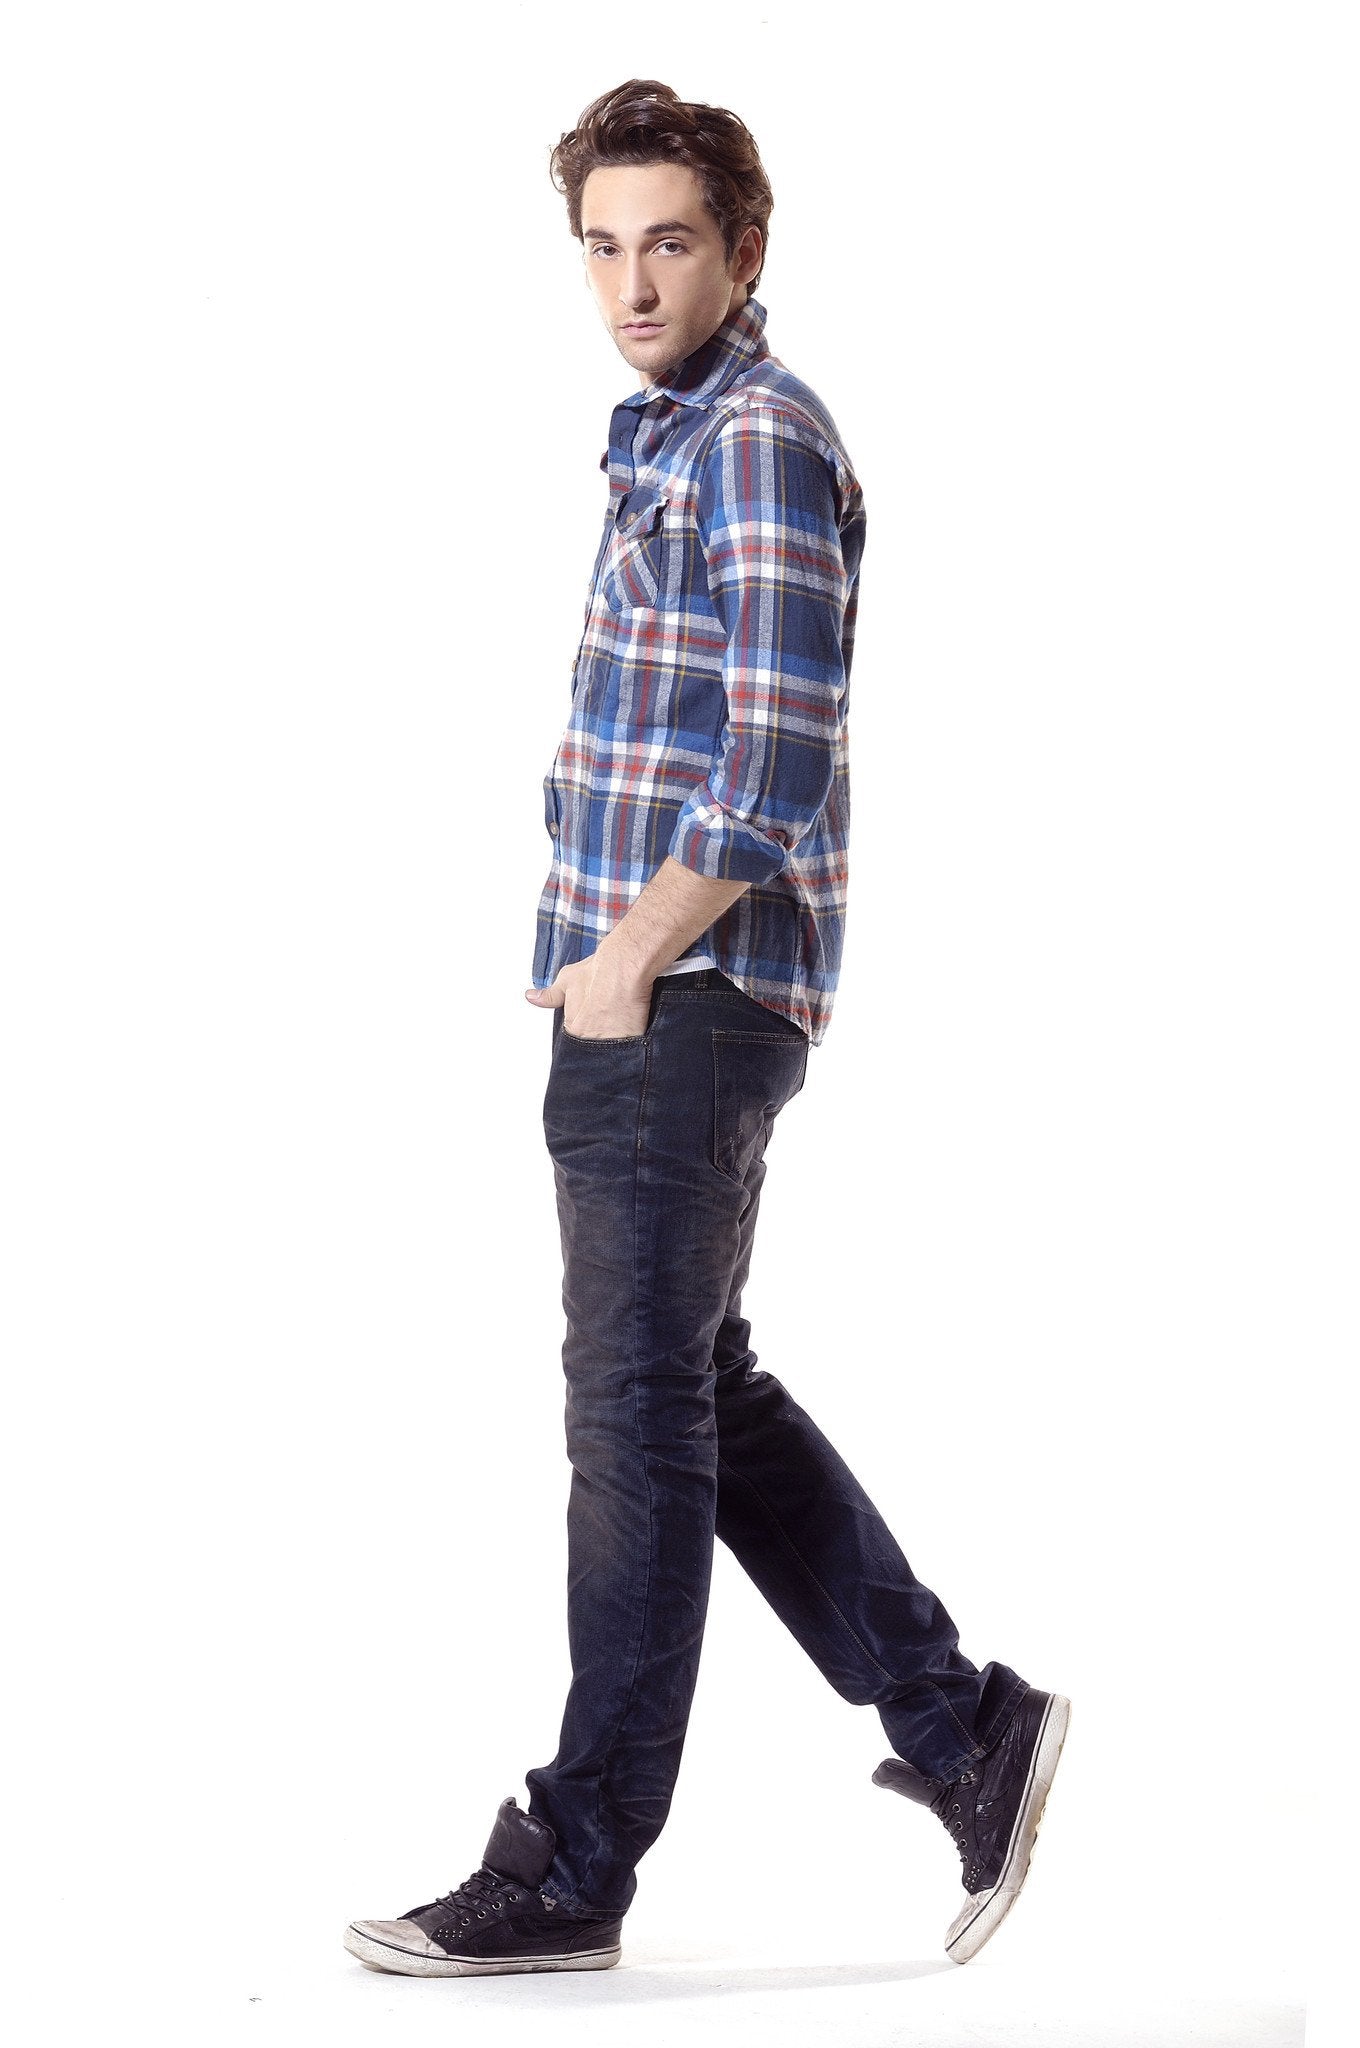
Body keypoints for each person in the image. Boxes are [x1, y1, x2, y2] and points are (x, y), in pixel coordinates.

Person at [345, 77, 1069, 1983]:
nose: (632, 283)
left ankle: (579, 1860)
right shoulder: (678, 431)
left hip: (687, 994)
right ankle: (963, 1727)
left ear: (745, 249)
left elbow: (776, 753)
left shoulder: (756, 434)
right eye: (602, 247)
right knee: (697, 1390)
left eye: (668, 241)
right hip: (650, 989)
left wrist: (627, 955)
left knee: (634, 1416)